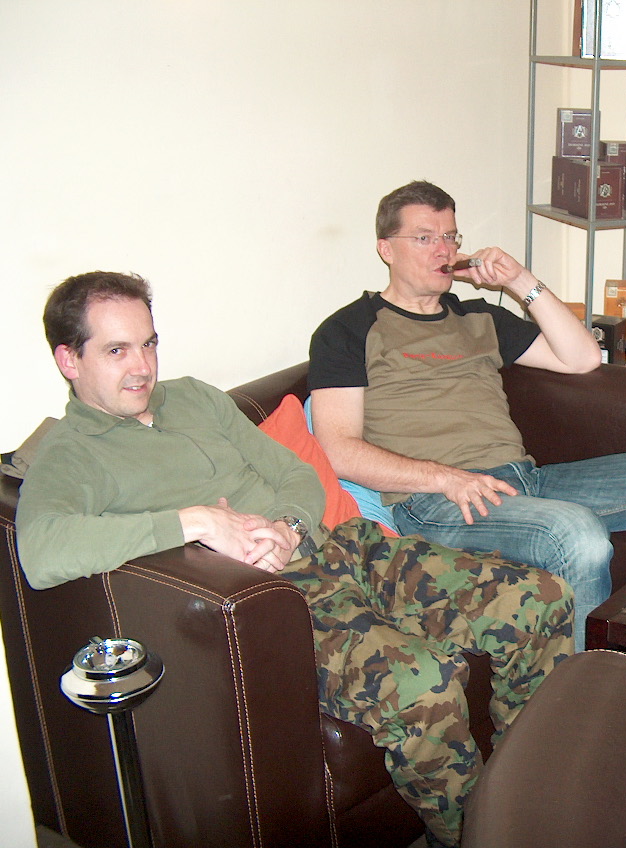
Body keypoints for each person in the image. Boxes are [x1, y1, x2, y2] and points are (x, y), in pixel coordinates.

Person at [14, 271, 575, 848]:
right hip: (280, 601)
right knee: (423, 683)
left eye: (148, 343)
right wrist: (197, 522)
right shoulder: (70, 454)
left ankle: (523, 799)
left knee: (540, 599)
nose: (142, 367)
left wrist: (289, 525)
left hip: (347, 546)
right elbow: (41, 550)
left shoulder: (192, 398)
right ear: (69, 359)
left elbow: (296, 474)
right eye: (116, 350)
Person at [308, 180, 626, 650]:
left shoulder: (479, 317)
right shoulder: (348, 330)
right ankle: (585, 689)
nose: (443, 250)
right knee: (579, 535)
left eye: (450, 237)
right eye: (424, 238)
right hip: (436, 502)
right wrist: (445, 478)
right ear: (386, 248)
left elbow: (582, 357)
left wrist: (519, 280)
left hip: (523, 481)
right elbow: (339, 450)